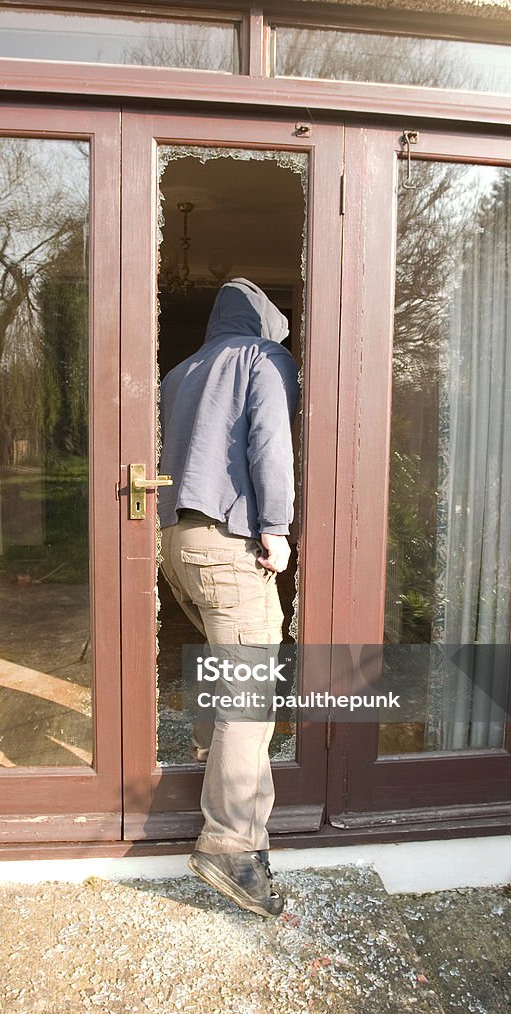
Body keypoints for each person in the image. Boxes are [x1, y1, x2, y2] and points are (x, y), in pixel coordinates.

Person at [157, 277, 300, 918]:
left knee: (225, 657)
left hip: (174, 540)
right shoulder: (262, 358)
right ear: (266, 320)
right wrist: (276, 527)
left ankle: (203, 750)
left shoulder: (179, 372)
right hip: (227, 536)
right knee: (252, 681)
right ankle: (230, 844)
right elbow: (270, 442)